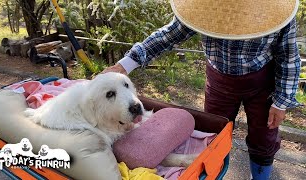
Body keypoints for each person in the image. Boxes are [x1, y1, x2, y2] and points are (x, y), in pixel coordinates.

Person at [102, 0, 302, 179]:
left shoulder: (278, 13)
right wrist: (125, 64)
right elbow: (168, 35)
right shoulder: (204, 7)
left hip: (261, 83)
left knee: (264, 137)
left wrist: (281, 101)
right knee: (213, 135)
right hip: (219, 83)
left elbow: (289, 57)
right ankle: (215, 173)